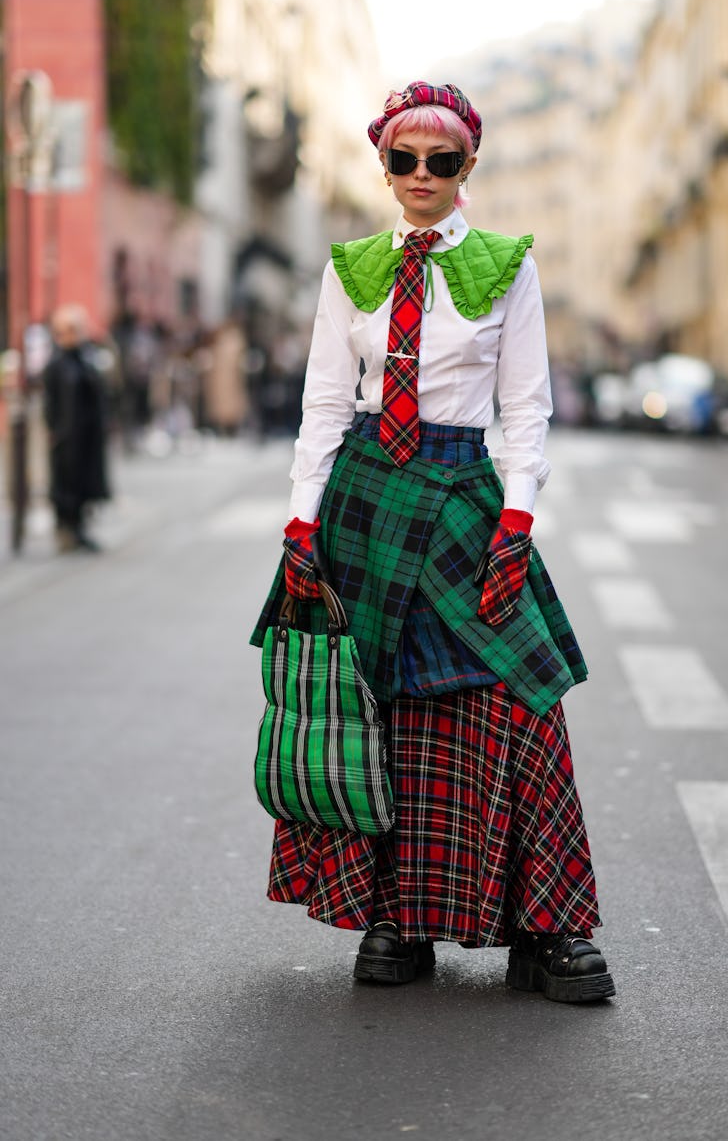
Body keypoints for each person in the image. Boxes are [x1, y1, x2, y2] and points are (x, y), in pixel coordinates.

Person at [251, 81, 614, 1004]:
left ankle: (549, 925)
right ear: (384, 164)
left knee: (518, 696)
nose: (422, 174)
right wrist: (300, 523)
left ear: (468, 167)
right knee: (382, 709)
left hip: (462, 495)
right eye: (405, 158)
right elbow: (326, 404)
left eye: (442, 159)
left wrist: (519, 518)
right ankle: (395, 920)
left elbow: (526, 409)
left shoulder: (506, 263)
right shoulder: (352, 267)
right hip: (363, 500)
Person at [42, 304, 110, 553]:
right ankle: (66, 529)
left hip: (87, 434)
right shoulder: (56, 364)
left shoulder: (86, 358)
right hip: (67, 436)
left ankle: (79, 528)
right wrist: (56, 431)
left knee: (83, 483)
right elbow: (51, 403)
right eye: (68, 329)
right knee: (66, 484)